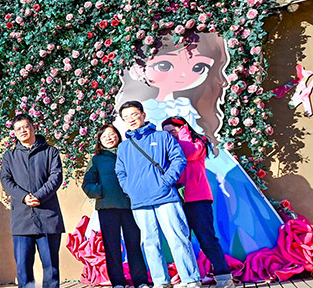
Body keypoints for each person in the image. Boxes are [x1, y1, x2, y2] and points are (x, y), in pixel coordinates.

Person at [116, 32, 281, 259]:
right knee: (162, 235)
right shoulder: (141, 132)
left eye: (197, 67)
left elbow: (186, 151)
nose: (182, 74)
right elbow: (126, 167)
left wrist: (168, 173)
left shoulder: (184, 121)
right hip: (156, 188)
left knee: (202, 230)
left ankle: (217, 271)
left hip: (189, 186)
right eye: (164, 65)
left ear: (142, 115)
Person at [114, 101, 203, 288]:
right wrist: (130, 189)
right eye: (126, 117)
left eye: (134, 114)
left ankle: (191, 279)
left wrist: (166, 181)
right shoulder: (124, 147)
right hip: (139, 201)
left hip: (166, 197)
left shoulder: (162, 137)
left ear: (143, 115)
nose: (131, 119)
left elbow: (178, 159)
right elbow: (120, 172)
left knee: (177, 238)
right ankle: (161, 282)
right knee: (149, 241)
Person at [161, 116, 237, 288]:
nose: (170, 136)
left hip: (198, 199)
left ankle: (224, 276)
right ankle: (189, 278)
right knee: (181, 240)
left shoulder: (198, 143)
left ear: (183, 128)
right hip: (177, 200)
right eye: (166, 134)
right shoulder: (168, 148)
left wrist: (180, 136)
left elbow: (188, 153)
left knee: (206, 238)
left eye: (173, 131)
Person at [0, 114, 66, 288]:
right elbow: (6, 180)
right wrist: (23, 197)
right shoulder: (9, 157)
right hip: (22, 220)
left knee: (50, 266)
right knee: (23, 267)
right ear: (15, 133)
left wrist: (39, 195)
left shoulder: (50, 152)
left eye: (26, 127)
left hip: (47, 216)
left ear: (33, 127)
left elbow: (56, 177)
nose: (23, 131)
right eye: (18, 129)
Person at [82, 125, 150, 288]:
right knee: (112, 246)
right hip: (107, 207)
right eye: (105, 136)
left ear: (118, 136)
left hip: (129, 206)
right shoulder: (97, 160)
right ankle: (117, 283)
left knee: (134, 244)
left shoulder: (129, 153)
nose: (109, 138)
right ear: (99, 140)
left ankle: (140, 281)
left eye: (112, 134)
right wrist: (100, 191)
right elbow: (87, 184)